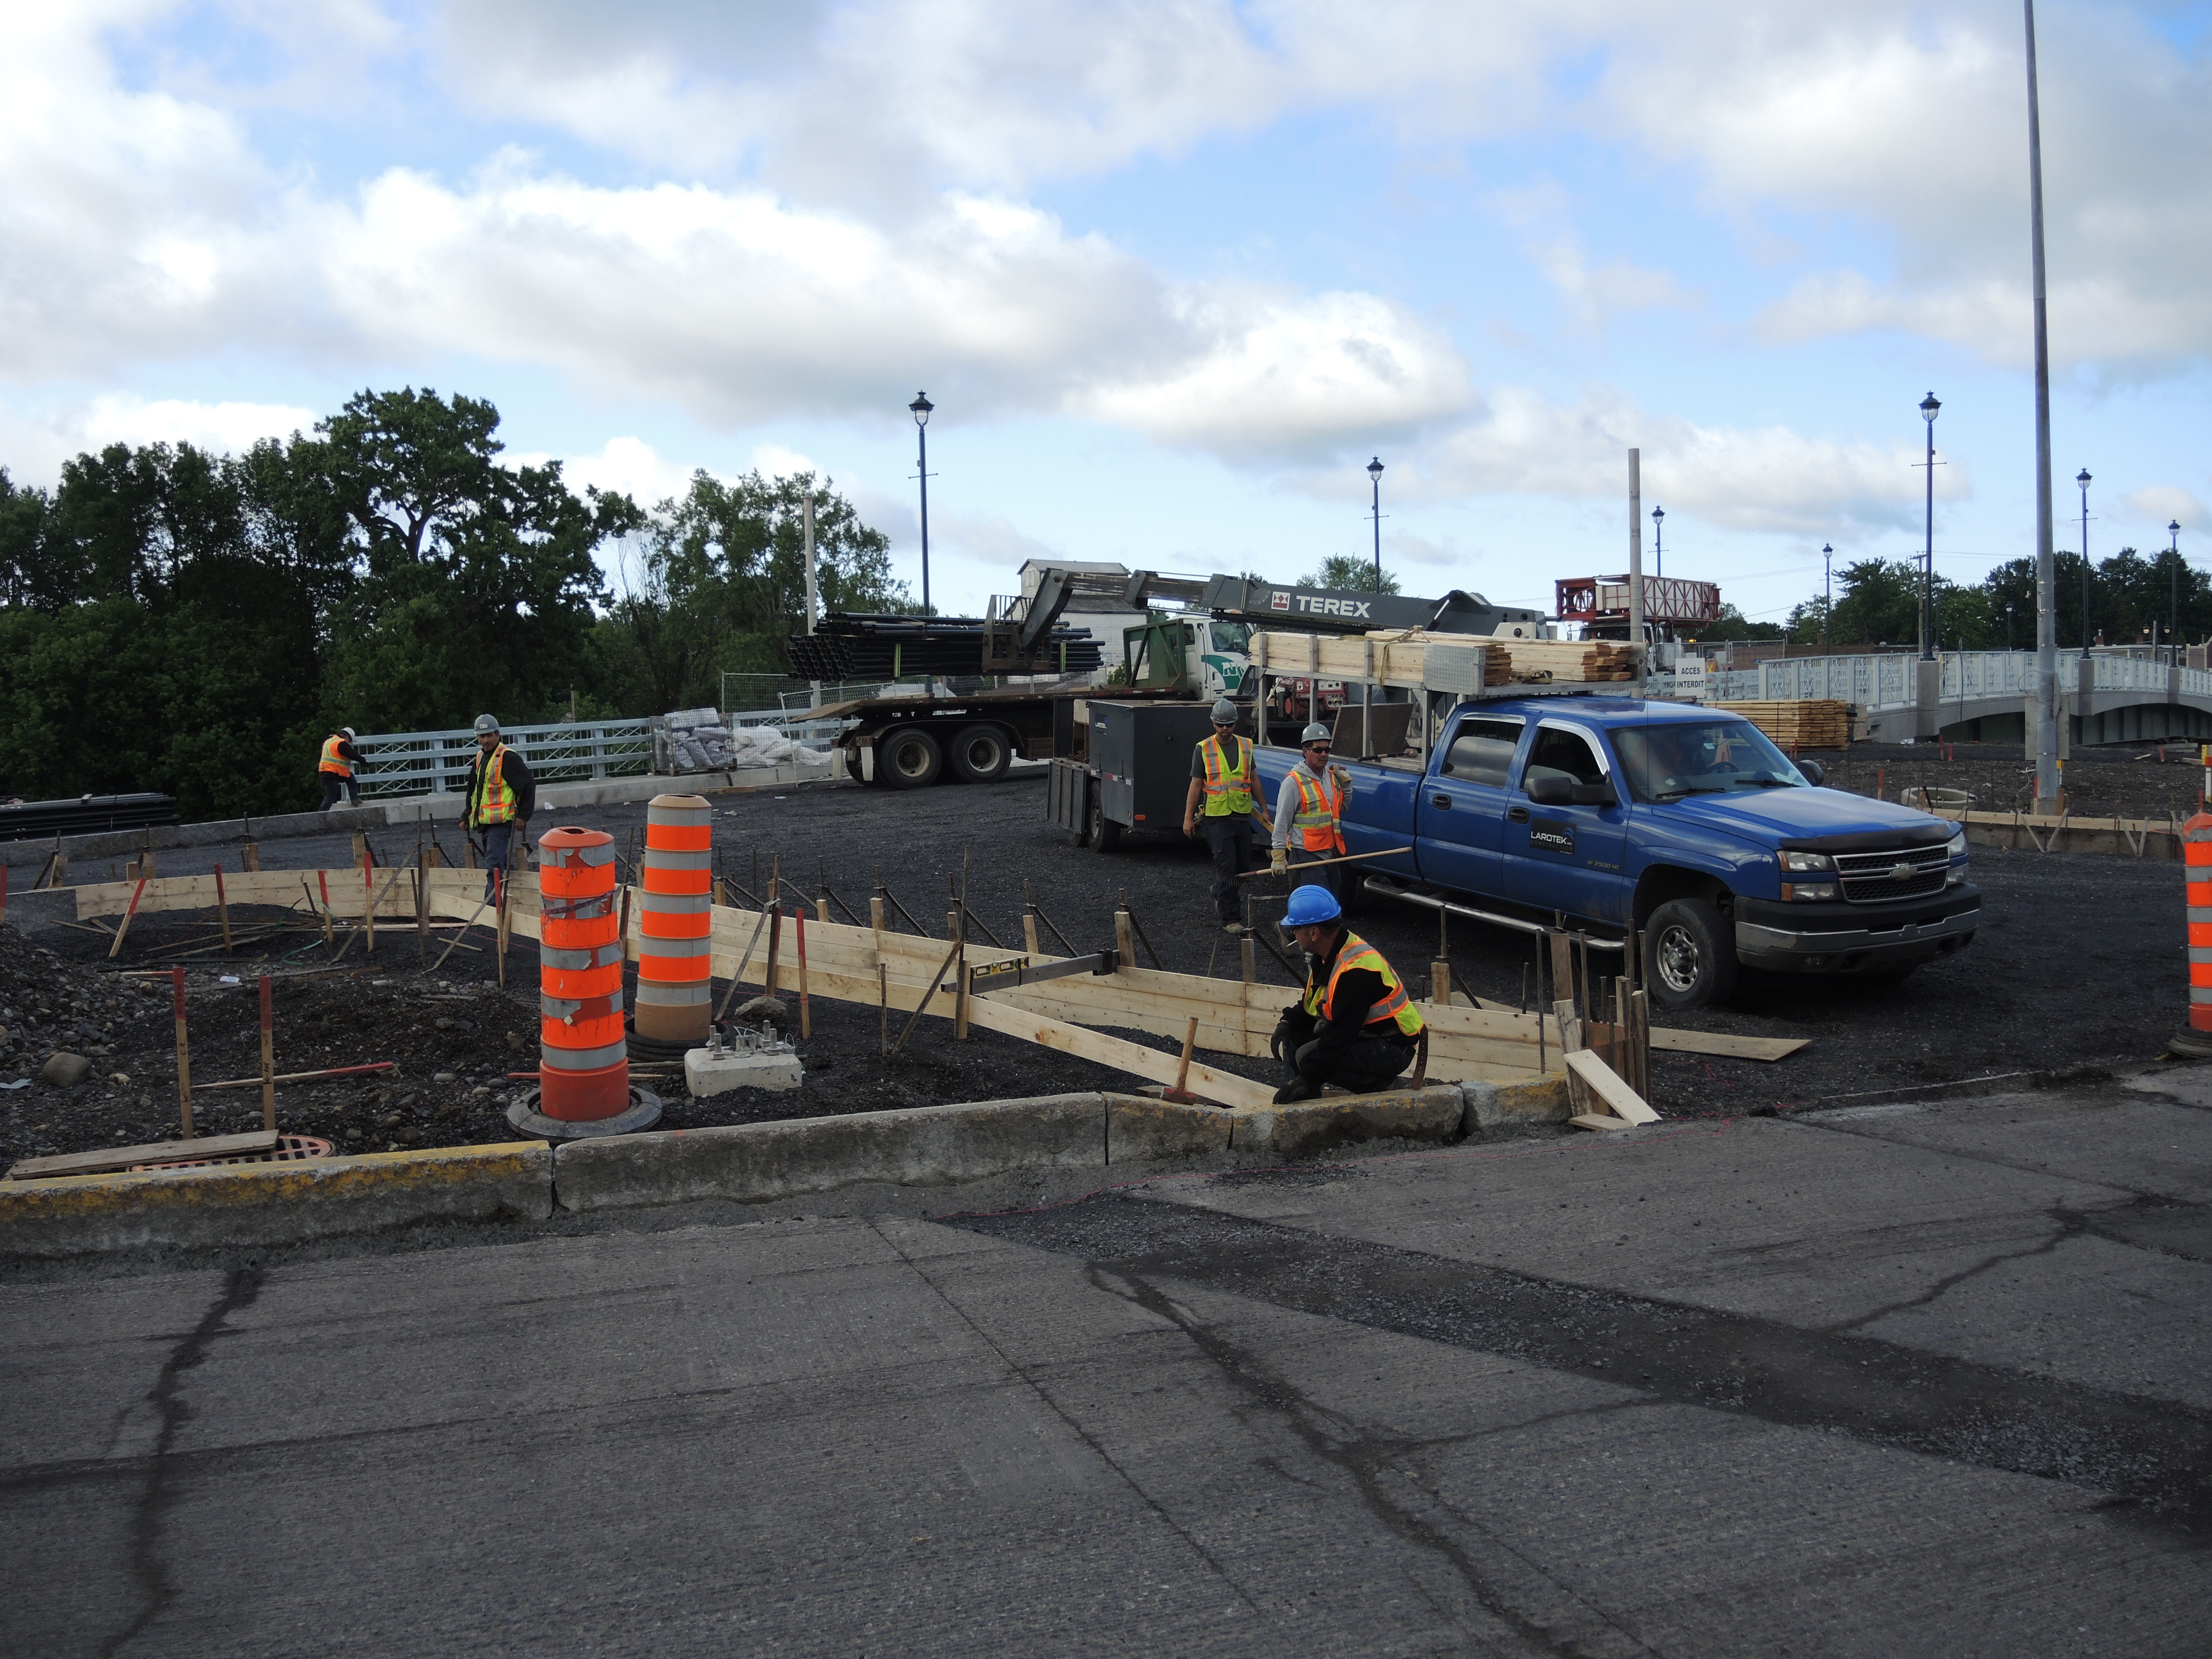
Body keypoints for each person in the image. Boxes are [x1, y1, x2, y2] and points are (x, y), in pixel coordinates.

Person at [1269, 884, 1425, 1103]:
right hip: (1370, 1033)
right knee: (1296, 1037)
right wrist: (1288, 1022)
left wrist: (1307, 1077)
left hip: (1393, 1047)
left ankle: (1382, 1086)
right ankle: (1303, 1101)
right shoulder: (1328, 954)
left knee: (1307, 1056)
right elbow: (1314, 1001)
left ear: (1314, 933)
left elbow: (1340, 1037)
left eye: (1295, 928)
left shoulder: (1355, 973)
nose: (1292, 933)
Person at [1182, 697, 1273, 933]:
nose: (1225, 729)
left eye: (1229, 725)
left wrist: (1264, 810)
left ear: (1235, 723)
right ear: (1214, 723)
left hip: (1241, 815)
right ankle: (1231, 918)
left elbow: (1253, 779)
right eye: (1221, 725)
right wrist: (1188, 817)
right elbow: (1196, 785)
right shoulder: (1204, 748)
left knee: (1243, 866)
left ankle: (1219, 890)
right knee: (1227, 866)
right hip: (1217, 817)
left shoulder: (1245, 746)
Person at [1267, 721, 1351, 898]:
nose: (1324, 754)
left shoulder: (1331, 777)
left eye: (1327, 750)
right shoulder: (1293, 783)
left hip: (1331, 853)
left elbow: (1341, 808)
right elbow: (1282, 822)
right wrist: (1278, 855)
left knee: (1331, 901)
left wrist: (1346, 787)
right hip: (1307, 855)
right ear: (1305, 751)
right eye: (1318, 750)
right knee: (1314, 903)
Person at [464, 714, 535, 901]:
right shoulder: (480, 757)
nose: (486, 740)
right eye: (482, 736)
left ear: (497, 735)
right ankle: (519, 898)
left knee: (494, 866)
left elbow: (528, 785)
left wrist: (524, 816)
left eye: (489, 735)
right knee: (501, 863)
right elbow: (473, 790)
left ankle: (492, 906)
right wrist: (466, 816)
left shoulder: (508, 757)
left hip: (502, 822)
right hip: (485, 823)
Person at [317, 727, 364, 810]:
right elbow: (352, 754)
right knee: (331, 795)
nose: (349, 743)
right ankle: (321, 814)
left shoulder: (329, 741)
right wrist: (363, 761)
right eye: (350, 741)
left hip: (327, 771)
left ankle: (355, 799)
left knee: (350, 778)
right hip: (331, 772)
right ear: (348, 737)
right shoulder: (341, 743)